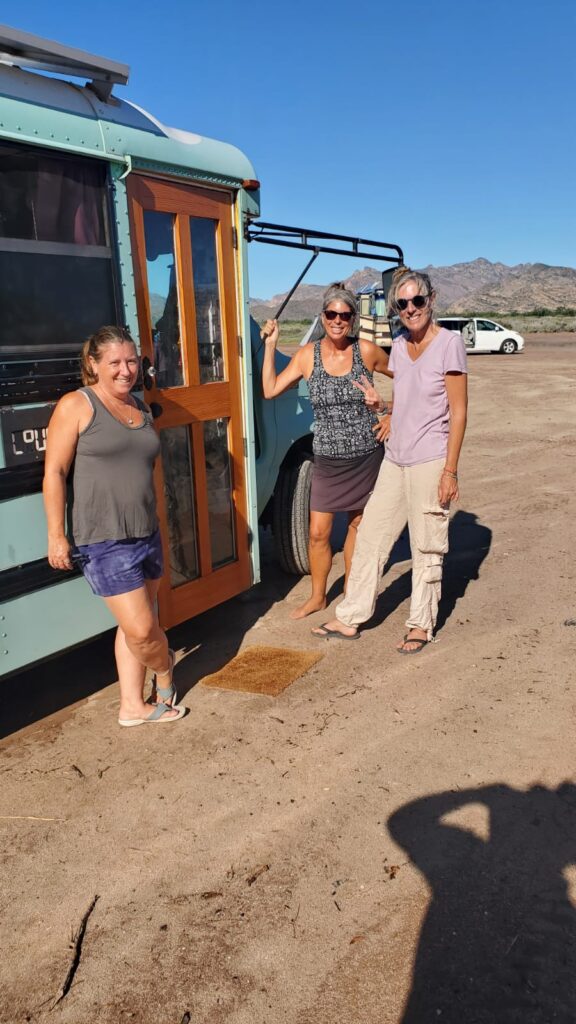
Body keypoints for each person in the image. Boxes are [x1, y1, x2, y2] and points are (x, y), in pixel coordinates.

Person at [312, 267, 468, 652]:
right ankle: (351, 615)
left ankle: (420, 624)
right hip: (395, 458)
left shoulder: (449, 344)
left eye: (417, 300)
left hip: (430, 458)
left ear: (431, 300)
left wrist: (450, 471)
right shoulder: (399, 345)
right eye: (402, 303)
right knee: (371, 536)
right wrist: (384, 408)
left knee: (426, 544)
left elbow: (458, 411)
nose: (410, 308)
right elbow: (410, 398)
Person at [43, 326, 184, 725]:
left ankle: (132, 706)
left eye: (132, 361)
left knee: (136, 623)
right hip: (104, 539)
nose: (126, 370)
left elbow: (143, 468)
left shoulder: (139, 407)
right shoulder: (77, 404)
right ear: (93, 364)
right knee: (142, 630)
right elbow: (54, 472)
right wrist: (56, 535)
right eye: (115, 363)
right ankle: (165, 668)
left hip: (147, 531)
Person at [262, 282, 392, 619]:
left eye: (345, 315)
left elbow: (410, 377)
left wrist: (391, 412)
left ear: (353, 319)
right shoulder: (308, 355)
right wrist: (271, 346)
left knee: (357, 527)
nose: (337, 320)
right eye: (332, 314)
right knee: (318, 532)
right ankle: (318, 597)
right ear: (322, 316)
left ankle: (351, 591)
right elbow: (270, 389)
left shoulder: (367, 351)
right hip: (327, 459)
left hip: (366, 454)